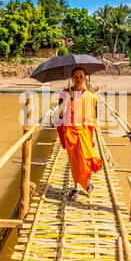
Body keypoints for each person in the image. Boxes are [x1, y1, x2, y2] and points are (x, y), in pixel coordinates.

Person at [56, 67, 103, 201]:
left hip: (84, 132)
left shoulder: (90, 96)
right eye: (75, 77)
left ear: (84, 79)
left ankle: (86, 180)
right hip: (70, 132)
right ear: (71, 78)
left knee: (86, 158)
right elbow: (60, 113)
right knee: (75, 161)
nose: (78, 79)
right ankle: (76, 187)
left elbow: (92, 117)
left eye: (81, 77)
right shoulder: (65, 93)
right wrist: (68, 98)